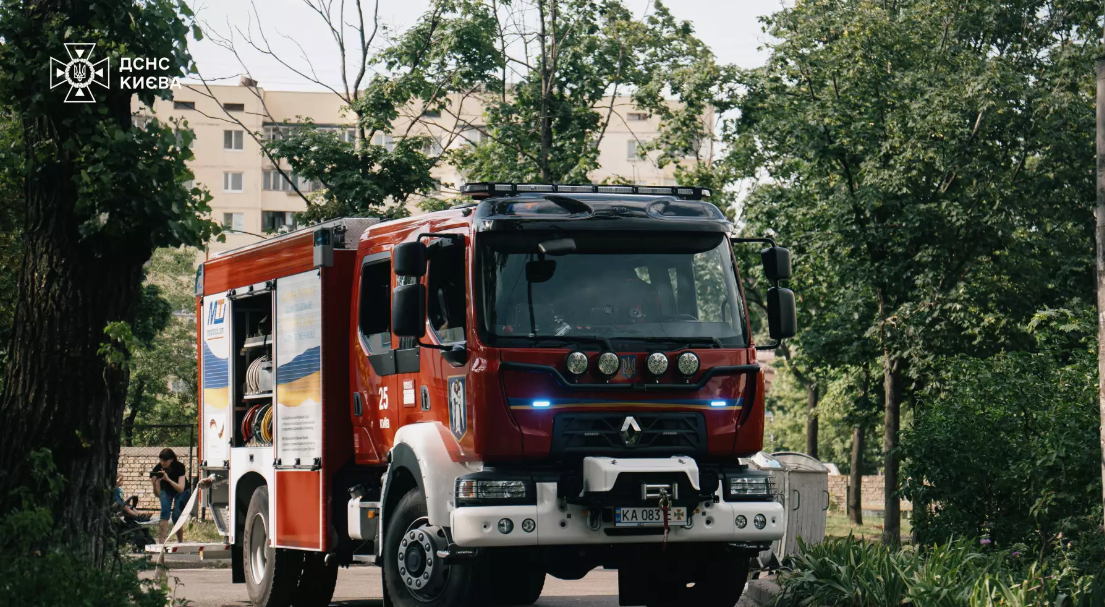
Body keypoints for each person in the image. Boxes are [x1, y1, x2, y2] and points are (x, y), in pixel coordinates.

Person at [150, 448, 189, 543]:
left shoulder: (179, 467)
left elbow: (181, 488)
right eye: (161, 460)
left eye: (165, 460)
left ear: (171, 459)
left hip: (181, 491)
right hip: (166, 490)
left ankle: (180, 541)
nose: (162, 463)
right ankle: (161, 543)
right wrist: (155, 484)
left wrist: (168, 480)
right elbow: (158, 493)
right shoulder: (157, 469)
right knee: (164, 513)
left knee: (176, 515)